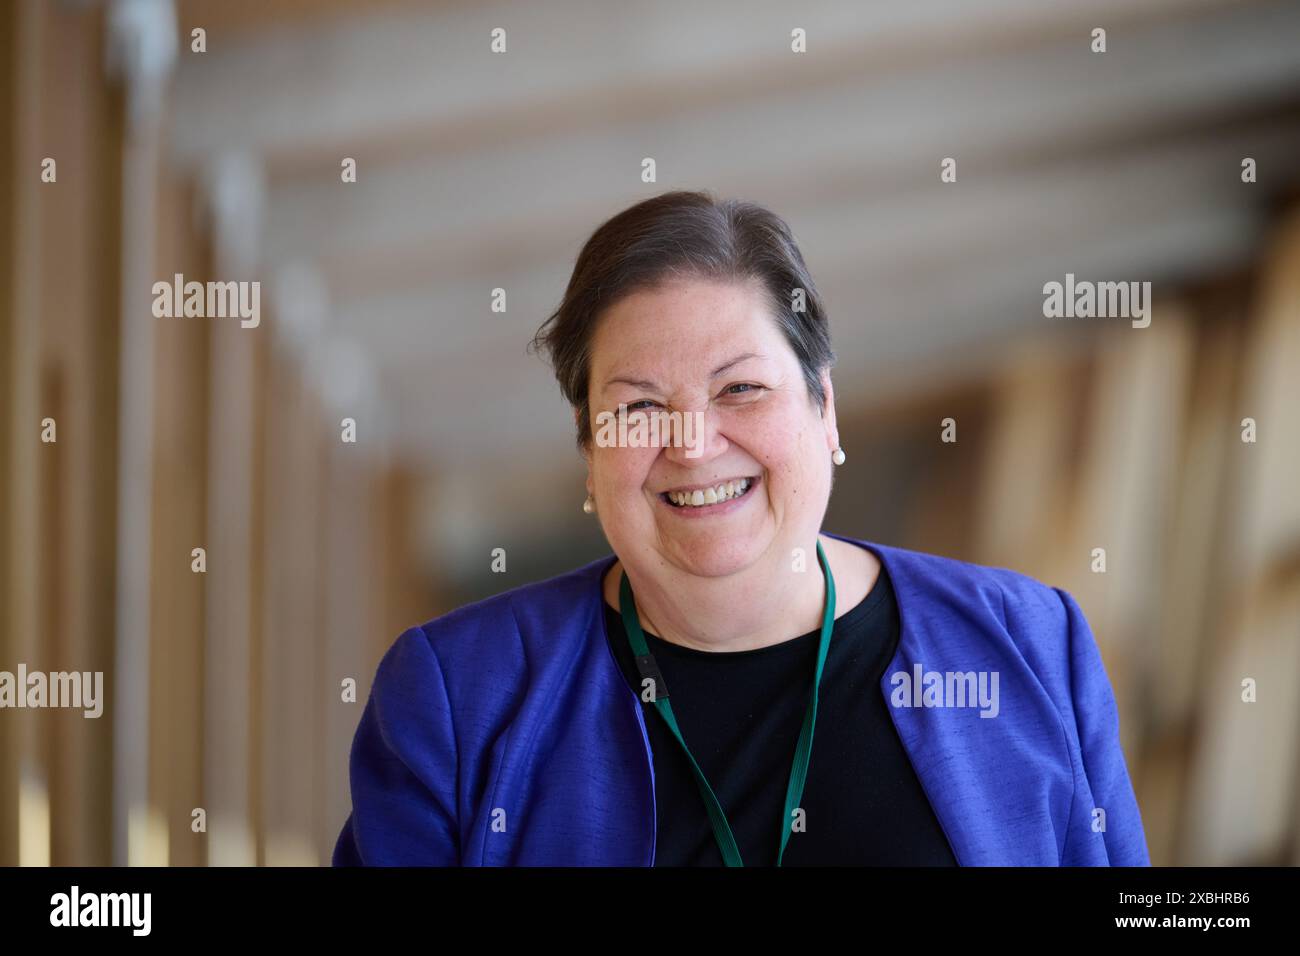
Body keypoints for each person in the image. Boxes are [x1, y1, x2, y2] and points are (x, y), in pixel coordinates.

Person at [332, 190, 1149, 866]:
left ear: (825, 407)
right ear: (590, 452)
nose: (691, 445)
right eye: (640, 407)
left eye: (741, 390)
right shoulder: (457, 699)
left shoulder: (1031, 646)